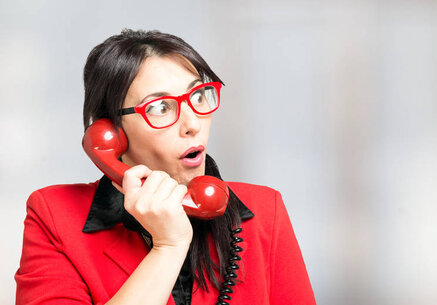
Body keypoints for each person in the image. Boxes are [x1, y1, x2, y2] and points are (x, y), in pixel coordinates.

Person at [15, 29, 316, 305]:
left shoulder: (265, 211)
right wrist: (168, 248)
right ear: (112, 133)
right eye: (160, 107)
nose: (193, 124)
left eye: (198, 95)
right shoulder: (54, 215)